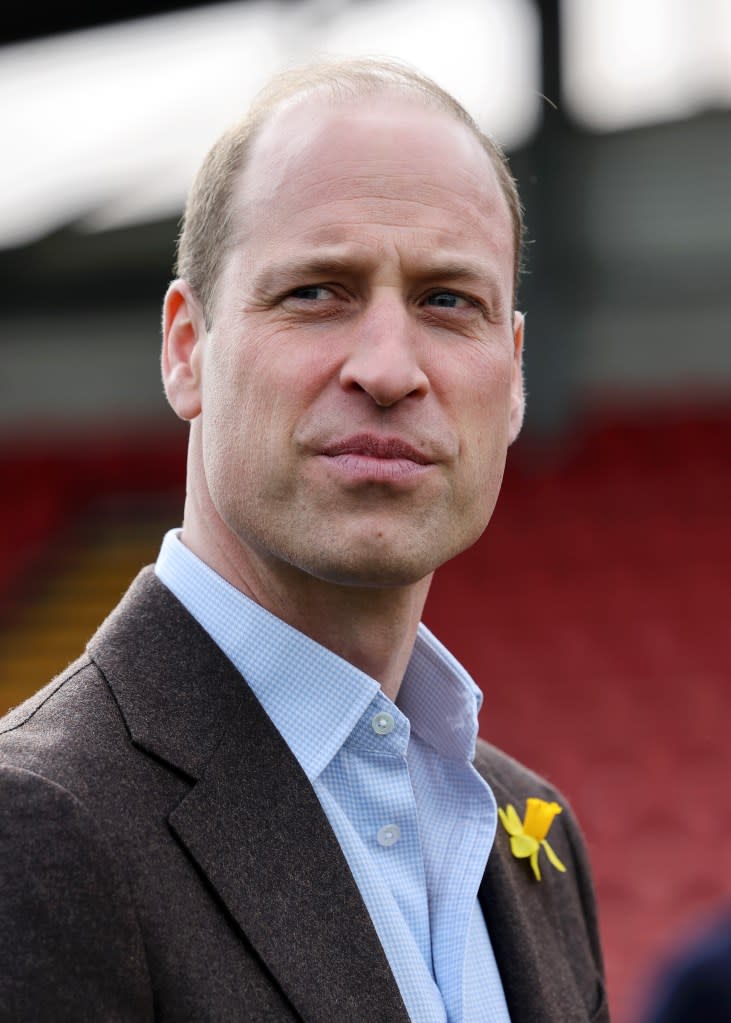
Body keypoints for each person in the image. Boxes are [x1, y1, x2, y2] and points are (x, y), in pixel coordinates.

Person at [0, 59, 609, 1022]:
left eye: (449, 300)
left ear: (516, 376)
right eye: (317, 292)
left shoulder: (534, 837)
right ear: (185, 348)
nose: (387, 367)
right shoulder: (35, 825)